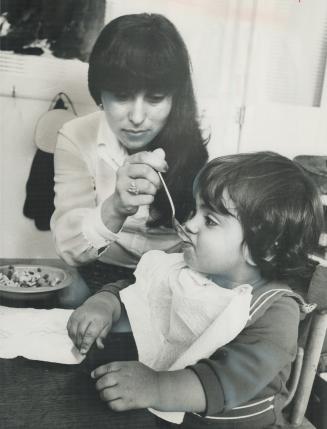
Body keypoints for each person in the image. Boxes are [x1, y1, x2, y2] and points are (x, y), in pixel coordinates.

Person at [68, 151, 324, 428]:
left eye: (210, 220)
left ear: (264, 248)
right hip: (164, 415)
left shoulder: (275, 311)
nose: (190, 224)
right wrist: (106, 302)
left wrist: (155, 386)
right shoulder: (192, 264)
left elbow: (222, 381)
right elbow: (142, 287)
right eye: (196, 211)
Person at [50, 13, 208, 270]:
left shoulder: (204, 135)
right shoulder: (75, 135)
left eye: (155, 98)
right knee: (71, 292)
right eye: (122, 96)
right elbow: (68, 249)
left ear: (174, 98)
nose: (137, 117)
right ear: (99, 92)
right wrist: (116, 206)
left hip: (178, 272)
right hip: (99, 268)